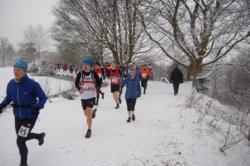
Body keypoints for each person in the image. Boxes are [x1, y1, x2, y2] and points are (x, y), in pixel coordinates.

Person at [0, 59, 47, 166]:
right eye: (14, 69)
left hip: (30, 115)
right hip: (17, 115)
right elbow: (9, 96)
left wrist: (38, 107)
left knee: (20, 140)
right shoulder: (11, 83)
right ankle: (39, 136)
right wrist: (2, 105)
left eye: (19, 70)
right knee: (21, 137)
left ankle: (23, 163)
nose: (15, 72)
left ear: (24, 71)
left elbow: (43, 98)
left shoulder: (32, 84)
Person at [75, 58, 101, 138]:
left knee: (88, 114)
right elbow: (76, 83)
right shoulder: (80, 74)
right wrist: (80, 89)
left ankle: (89, 129)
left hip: (91, 96)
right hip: (83, 96)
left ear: (90, 65)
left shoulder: (94, 74)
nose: (85, 66)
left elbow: (99, 83)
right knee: (86, 114)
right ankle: (92, 112)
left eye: (86, 64)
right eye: (84, 64)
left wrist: (95, 87)